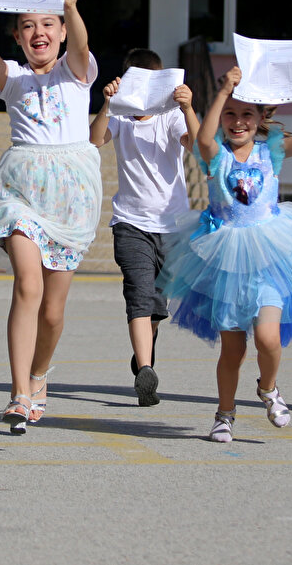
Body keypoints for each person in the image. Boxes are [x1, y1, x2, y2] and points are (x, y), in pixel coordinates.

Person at [158, 60, 292, 442]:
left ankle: (268, 388)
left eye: (247, 115)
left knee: (269, 338)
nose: (238, 122)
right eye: (230, 115)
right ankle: (225, 414)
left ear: (261, 118)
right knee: (233, 349)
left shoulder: (270, 151)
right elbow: (203, 140)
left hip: (270, 255)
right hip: (225, 258)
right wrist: (223, 90)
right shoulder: (216, 155)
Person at [0, 0, 101, 434]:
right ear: (18, 36)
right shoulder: (13, 79)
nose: (38, 33)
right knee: (28, 285)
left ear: (60, 31)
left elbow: (81, 46)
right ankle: (20, 393)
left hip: (71, 198)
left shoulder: (77, 72)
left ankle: (40, 374)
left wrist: (72, 4)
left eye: (47, 24)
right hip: (20, 192)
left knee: (54, 311)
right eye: (27, 26)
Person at [88, 49, 199, 407]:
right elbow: (95, 140)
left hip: (172, 227)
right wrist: (106, 103)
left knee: (155, 306)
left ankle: (143, 353)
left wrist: (188, 107)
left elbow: (198, 145)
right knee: (138, 294)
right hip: (130, 223)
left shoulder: (170, 117)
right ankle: (146, 372)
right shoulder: (119, 116)